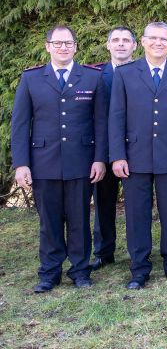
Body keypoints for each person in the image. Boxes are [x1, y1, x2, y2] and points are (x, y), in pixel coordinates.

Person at [12, 25, 107, 292]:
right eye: (58, 43)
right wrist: (21, 164)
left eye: (68, 43)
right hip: (44, 162)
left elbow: (100, 123)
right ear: (48, 46)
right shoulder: (31, 79)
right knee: (50, 221)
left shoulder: (92, 77)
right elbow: (20, 125)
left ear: (76, 46)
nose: (63, 47)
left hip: (81, 161)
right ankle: (49, 272)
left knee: (79, 219)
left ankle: (80, 270)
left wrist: (100, 159)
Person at [109, 21, 167, 289]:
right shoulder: (125, 74)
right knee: (137, 215)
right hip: (134, 156)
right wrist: (117, 156)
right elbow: (116, 117)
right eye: (153, 38)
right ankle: (139, 269)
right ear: (144, 42)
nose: (159, 43)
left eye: (164, 39)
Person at [90, 26, 136, 271]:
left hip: (134, 150)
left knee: (136, 204)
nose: (120, 44)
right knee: (104, 202)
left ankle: (137, 250)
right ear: (108, 45)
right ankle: (104, 251)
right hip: (102, 150)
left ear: (134, 46)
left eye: (126, 40)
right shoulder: (95, 74)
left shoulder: (141, 73)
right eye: (115, 40)